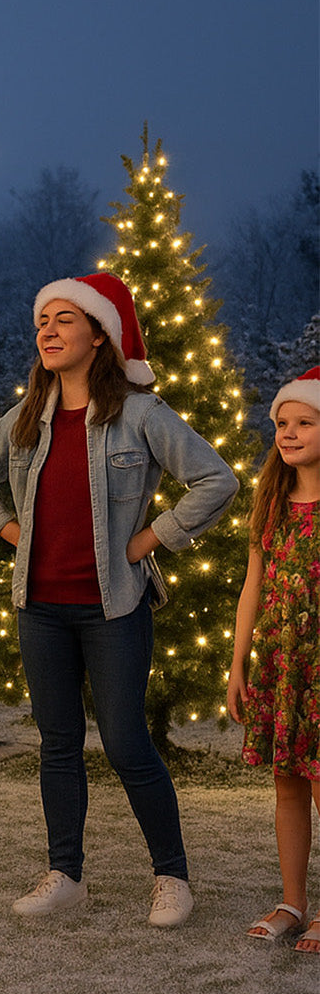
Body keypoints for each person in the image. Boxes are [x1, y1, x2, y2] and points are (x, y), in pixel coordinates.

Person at [0, 271, 239, 928]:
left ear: (98, 334)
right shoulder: (29, 417)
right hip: (41, 609)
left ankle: (171, 877)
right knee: (57, 743)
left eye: (62, 319)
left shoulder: (140, 414)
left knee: (125, 742)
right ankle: (65, 875)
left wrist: (150, 540)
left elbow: (215, 481)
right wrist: (10, 530)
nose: (46, 332)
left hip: (113, 609)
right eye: (41, 322)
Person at [226, 367, 320, 952]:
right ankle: (293, 900)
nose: (288, 432)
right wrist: (237, 664)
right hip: (282, 668)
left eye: (304, 422)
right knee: (288, 785)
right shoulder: (273, 502)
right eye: (282, 423)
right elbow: (252, 588)